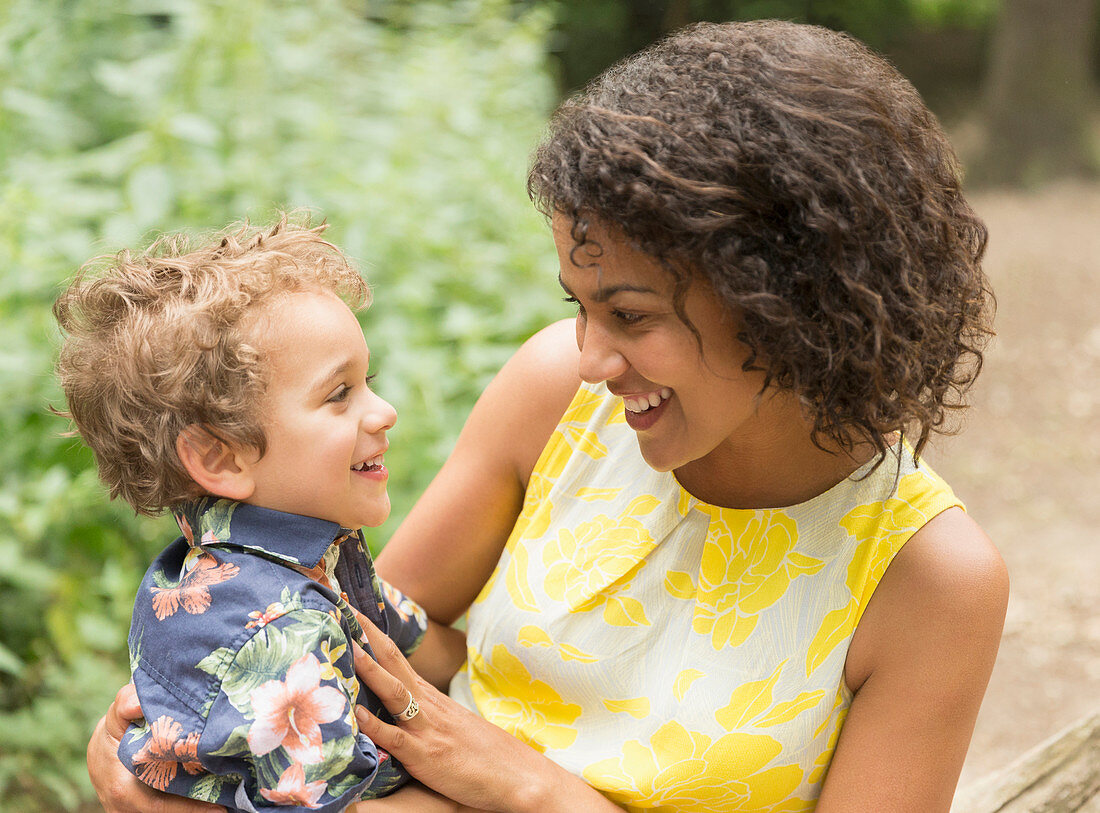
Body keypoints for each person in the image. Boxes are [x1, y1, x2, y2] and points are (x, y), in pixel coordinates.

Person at [87, 20, 1009, 813]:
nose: (591, 354)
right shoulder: (557, 397)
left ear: (785, 299)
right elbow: (363, 654)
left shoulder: (927, 581)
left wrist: (532, 789)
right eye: (579, 302)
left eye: (631, 314)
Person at [56, 216, 467, 811]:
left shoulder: (308, 553)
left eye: (368, 380)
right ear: (220, 458)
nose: (384, 412)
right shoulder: (280, 629)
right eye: (338, 394)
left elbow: (416, 643)